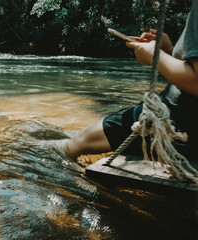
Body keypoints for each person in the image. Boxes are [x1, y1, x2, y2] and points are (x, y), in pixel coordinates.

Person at [60, 0, 198, 164]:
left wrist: (156, 57)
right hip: (185, 117)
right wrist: (169, 51)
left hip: (181, 120)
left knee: (77, 143)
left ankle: (74, 186)